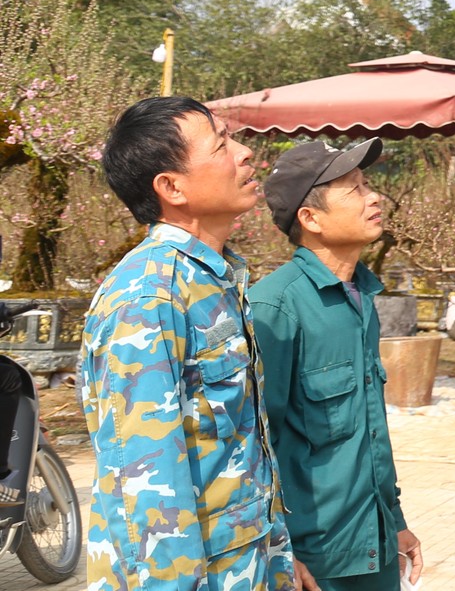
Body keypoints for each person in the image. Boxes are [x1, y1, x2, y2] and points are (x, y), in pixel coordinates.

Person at [81, 96, 305, 591]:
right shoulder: (148, 295)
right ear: (171, 187)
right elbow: (143, 480)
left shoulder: (215, 278)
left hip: (247, 562)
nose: (244, 153)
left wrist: (280, 557)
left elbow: (236, 447)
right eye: (221, 144)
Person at [253, 138, 424, 591]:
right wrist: (277, 549)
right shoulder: (275, 307)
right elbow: (254, 442)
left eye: (368, 184)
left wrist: (396, 522)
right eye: (353, 189)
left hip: (375, 546)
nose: (373, 198)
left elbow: (369, 433)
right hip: (314, 559)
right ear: (310, 219)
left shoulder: (361, 297)